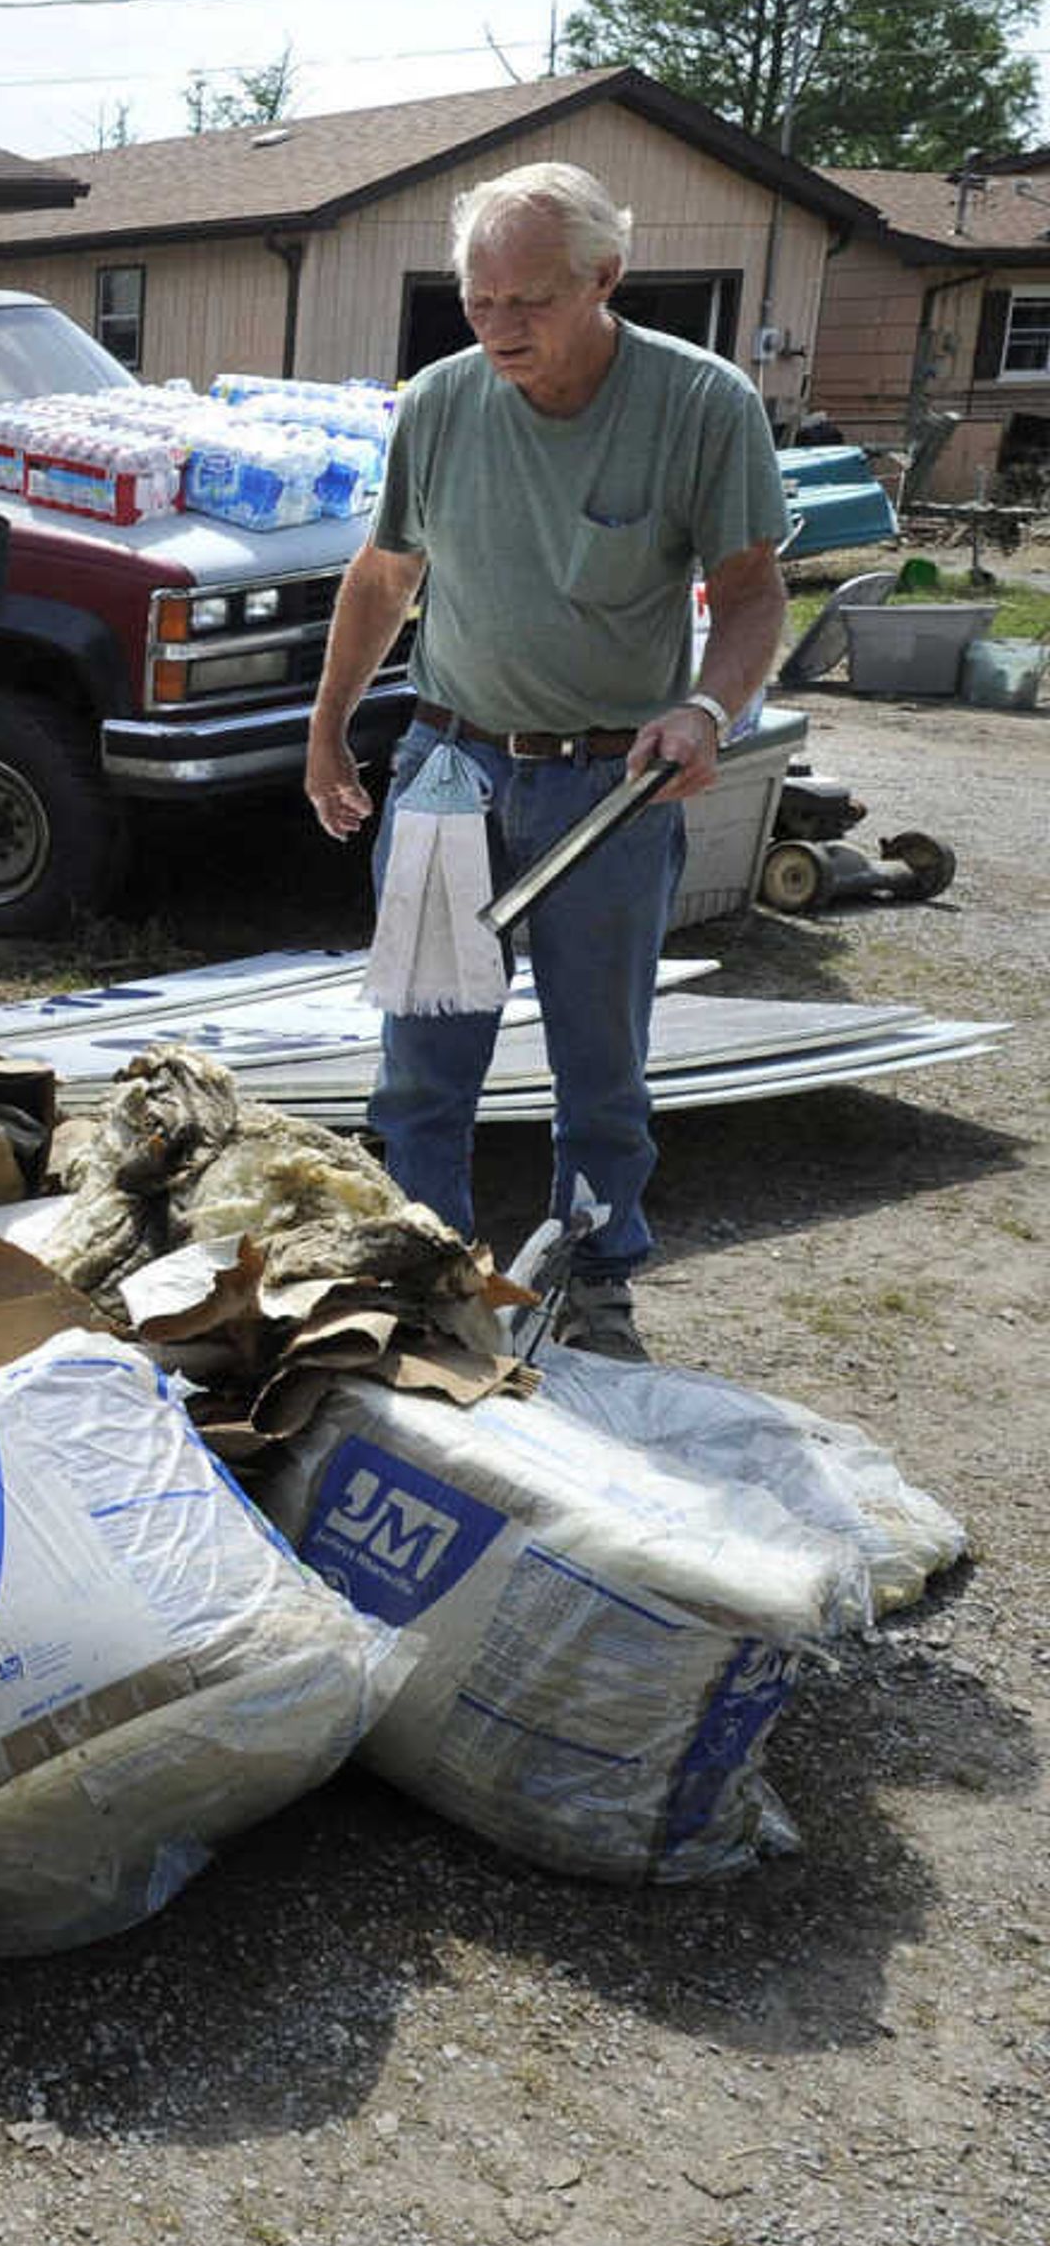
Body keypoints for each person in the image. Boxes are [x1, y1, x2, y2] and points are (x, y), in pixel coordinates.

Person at [303, 163, 789, 1361]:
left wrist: (705, 712)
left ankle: (596, 1274)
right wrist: (327, 732)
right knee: (423, 1053)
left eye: (529, 300)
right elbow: (384, 575)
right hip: (448, 769)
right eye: (478, 300)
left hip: (609, 787)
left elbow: (750, 595)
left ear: (605, 280)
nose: (501, 326)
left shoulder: (702, 404)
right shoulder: (442, 402)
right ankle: (429, 1271)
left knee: (599, 1060)